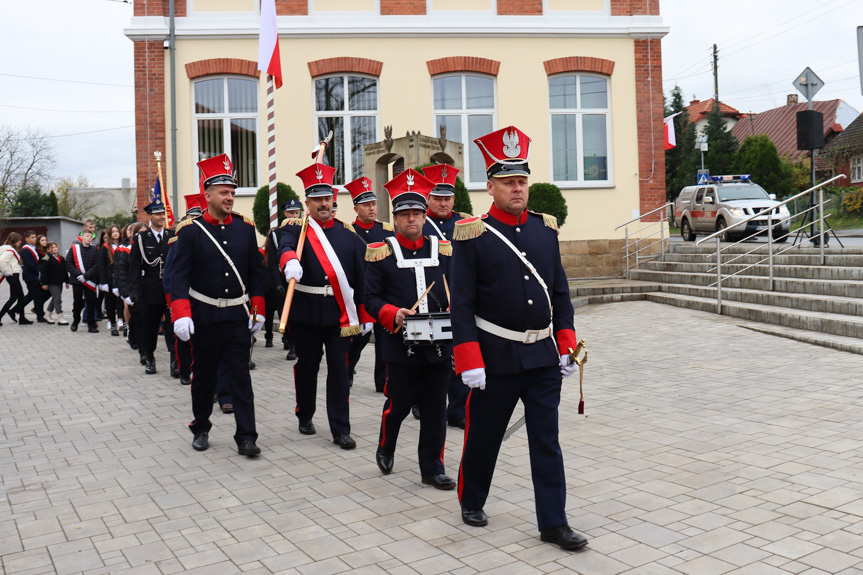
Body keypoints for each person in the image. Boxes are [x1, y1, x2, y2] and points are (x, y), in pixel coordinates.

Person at [451, 126, 587, 550]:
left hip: (543, 358)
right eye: (508, 181)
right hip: (495, 358)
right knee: (484, 435)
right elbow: (462, 304)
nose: (517, 188)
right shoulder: (472, 234)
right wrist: (469, 358)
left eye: (522, 180)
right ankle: (472, 498)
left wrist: (566, 344)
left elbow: (560, 292)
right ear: (490, 186)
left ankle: (554, 522)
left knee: (547, 441)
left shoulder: (546, 230)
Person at [364, 168, 456, 490]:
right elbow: (370, 299)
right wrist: (393, 313)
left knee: (435, 408)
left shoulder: (443, 249)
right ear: (396, 218)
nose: (412, 220)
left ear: (424, 214)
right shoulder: (381, 252)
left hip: (439, 344)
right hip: (400, 345)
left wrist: (453, 308)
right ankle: (386, 446)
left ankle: (432, 468)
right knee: (399, 404)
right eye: (405, 214)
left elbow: (455, 289)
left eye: (417, 213)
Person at [170, 153, 265, 457]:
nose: (230, 197)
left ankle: (247, 435)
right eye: (224, 192)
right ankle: (200, 427)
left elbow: (255, 272)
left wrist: (259, 308)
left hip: (237, 315)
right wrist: (181, 314)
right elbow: (178, 277)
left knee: (241, 376)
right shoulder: (191, 232)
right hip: (205, 315)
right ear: (207, 194)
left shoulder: (245, 229)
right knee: (204, 375)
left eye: (233, 192)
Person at [278, 162, 372, 450]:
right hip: (305, 312)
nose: (322, 204)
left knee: (339, 371)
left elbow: (361, 279)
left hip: (338, 314)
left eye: (326, 198)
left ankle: (340, 428)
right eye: (316, 199)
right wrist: (289, 260)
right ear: (307, 203)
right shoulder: (297, 231)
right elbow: (284, 247)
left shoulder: (348, 236)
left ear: (334, 200)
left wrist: (365, 314)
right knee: (307, 366)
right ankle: (304, 414)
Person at [419, 163, 472, 427]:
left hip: (460, 299)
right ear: (428, 198)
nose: (443, 202)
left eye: (447, 197)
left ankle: (458, 411)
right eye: (437, 197)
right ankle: (421, 401)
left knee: (458, 354)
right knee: (427, 355)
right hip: (428, 298)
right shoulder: (419, 223)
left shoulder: (465, 224)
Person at [344, 176, 394, 392]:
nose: (372, 208)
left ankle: (381, 381)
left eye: (373, 204)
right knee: (359, 339)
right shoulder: (348, 232)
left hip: (382, 293)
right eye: (366, 205)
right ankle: (347, 369)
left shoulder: (386, 231)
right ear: (356, 208)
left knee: (383, 340)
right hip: (357, 295)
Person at [128, 192, 176, 376]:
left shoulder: (172, 236)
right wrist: (134, 291)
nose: (162, 217)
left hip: (170, 288)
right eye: (158, 214)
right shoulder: (141, 239)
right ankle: (149, 357)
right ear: (150, 216)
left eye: (163, 213)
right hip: (150, 289)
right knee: (150, 326)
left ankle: (174, 360)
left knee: (172, 325)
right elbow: (134, 267)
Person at [162, 194, 206, 387]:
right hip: (184, 295)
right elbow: (170, 274)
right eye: (192, 217)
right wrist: (172, 301)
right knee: (183, 337)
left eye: (198, 216)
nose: (195, 220)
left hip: (204, 297)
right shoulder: (177, 242)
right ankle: (183, 369)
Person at [118, 222, 147, 352]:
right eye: (140, 232)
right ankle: (132, 333)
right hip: (133, 289)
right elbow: (121, 273)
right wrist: (125, 293)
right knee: (136, 317)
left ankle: (145, 345)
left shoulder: (151, 249)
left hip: (148, 289)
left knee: (146, 319)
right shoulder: (126, 251)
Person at [64, 230, 100, 333]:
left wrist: (86, 276)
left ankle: (91, 324)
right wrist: (78, 275)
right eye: (87, 236)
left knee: (91, 302)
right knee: (77, 302)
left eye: (90, 237)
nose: (89, 238)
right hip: (77, 280)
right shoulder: (75, 249)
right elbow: (68, 263)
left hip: (90, 280)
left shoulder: (95, 250)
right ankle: (75, 321)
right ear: (82, 237)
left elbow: (97, 265)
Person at [97, 225, 125, 336]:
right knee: (110, 303)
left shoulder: (123, 246)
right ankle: (112, 323)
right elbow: (101, 266)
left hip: (121, 279)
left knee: (120, 302)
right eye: (113, 232)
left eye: (117, 231)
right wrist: (103, 282)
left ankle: (121, 321)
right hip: (109, 281)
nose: (115, 234)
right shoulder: (105, 248)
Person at [19, 231, 45, 323]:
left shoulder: (33, 248)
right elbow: (30, 265)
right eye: (32, 237)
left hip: (34, 275)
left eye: (35, 237)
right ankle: (40, 316)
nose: (34, 239)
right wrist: (38, 273)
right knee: (37, 296)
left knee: (32, 295)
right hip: (30, 276)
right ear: (27, 239)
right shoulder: (25, 249)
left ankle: (14, 310)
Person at [40, 241, 69, 325]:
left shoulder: (61, 258)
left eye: (56, 247)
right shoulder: (46, 259)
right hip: (51, 282)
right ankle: (60, 316)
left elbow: (65, 270)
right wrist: (44, 283)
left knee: (54, 299)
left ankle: (47, 314)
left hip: (59, 281)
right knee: (58, 299)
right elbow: (44, 272)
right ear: (49, 249)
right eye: (52, 247)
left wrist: (67, 281)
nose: (55, 249)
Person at [0, 233, 25, 325]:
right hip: (12, 275)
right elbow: (2, 261)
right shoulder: (10, 250)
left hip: (12, 275)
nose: (20, 242)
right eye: (18, 240)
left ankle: (22, 318)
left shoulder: (6, 248)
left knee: (20, 297)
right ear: (14, 241)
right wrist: (5, 271)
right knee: (14, 298)